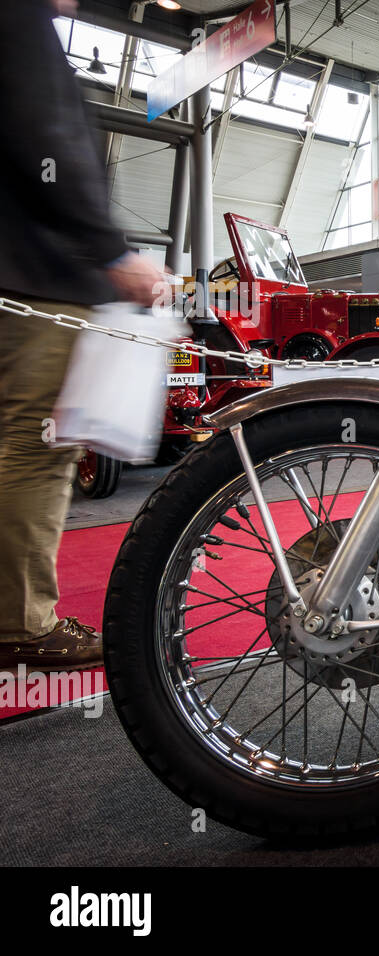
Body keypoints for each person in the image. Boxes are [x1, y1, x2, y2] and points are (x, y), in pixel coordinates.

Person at [0, 0, 165, 670]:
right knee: (36, 449)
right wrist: (112, 251)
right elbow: (47, 138)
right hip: (34, 279)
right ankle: (20, 624)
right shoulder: (19, 16)